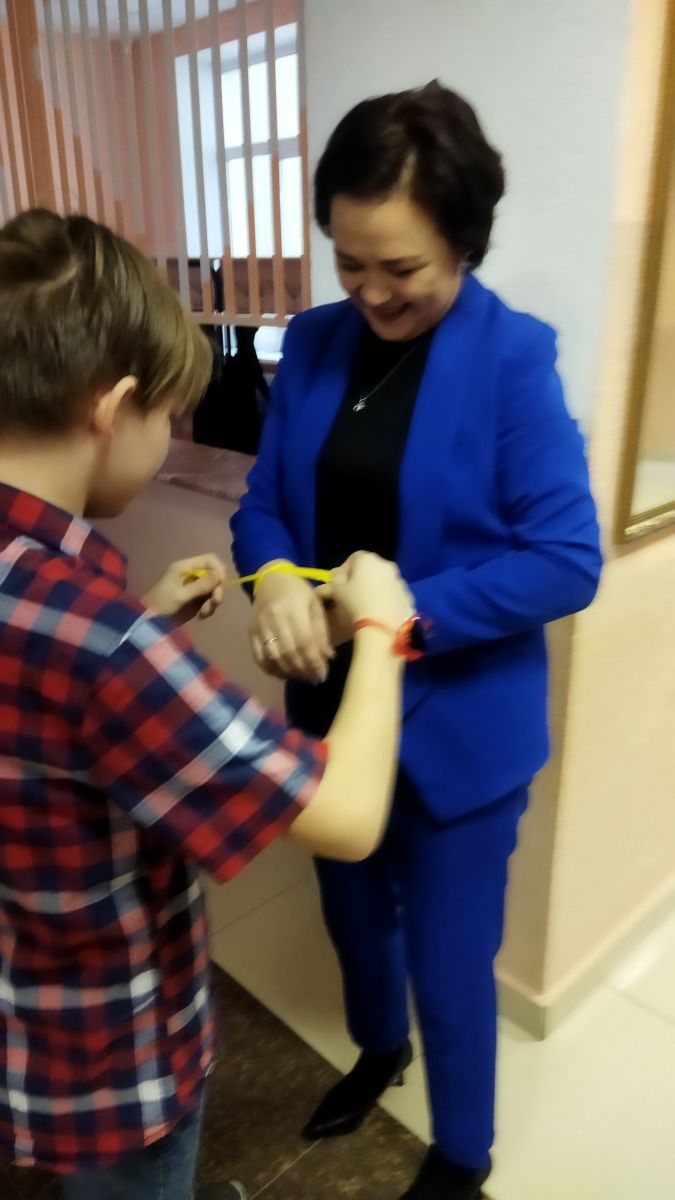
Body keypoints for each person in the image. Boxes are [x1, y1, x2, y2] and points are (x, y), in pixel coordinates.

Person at [231, 81, 603, 1200]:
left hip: (456, 729)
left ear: (465, 243)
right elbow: (265, 504)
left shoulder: (512, 358)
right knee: (352, 920)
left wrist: (393, 613)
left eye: (401, 268)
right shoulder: (312, 342)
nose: (370, 292)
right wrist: (273, 579)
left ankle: (461, 1153)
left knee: (449, 964)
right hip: (330, 715)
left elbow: (565, 559)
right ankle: (377, 1049)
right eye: (348, 262)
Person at [0, 209, 415, 1200]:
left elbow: (34, 701)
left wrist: (144, 618)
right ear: (116, 408)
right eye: (168, 422)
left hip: (27, 1009)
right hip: (116, 1054)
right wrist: (381, 628)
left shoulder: (64, 612)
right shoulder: (106, 647)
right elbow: (346, 815)